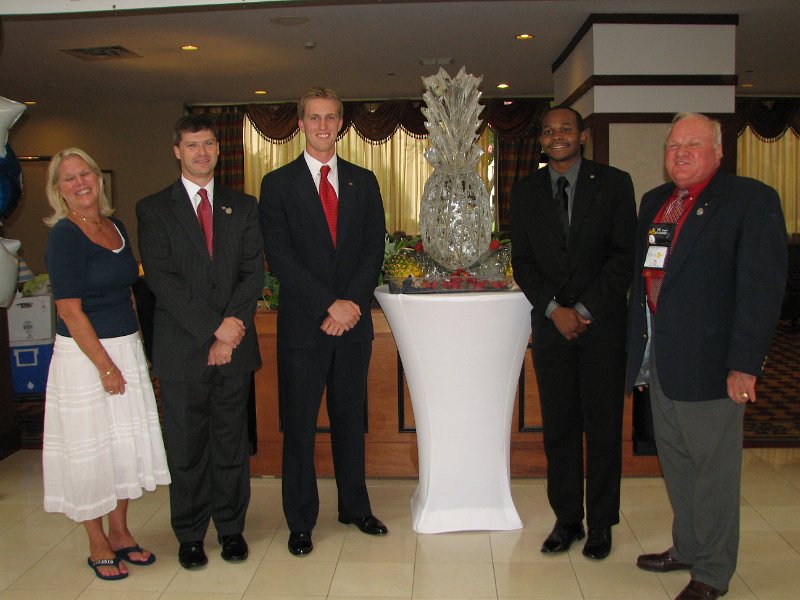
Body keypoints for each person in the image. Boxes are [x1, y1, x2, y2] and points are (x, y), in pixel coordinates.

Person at [627, 113, 787, 600]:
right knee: (676, 463)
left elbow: (761, 290)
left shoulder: (750, 201)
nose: (680, 153)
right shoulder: (657, 202)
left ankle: (713, 571)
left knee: (714, 472)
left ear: (719, 152)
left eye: (693, 145)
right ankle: (688, 547)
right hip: (661, 359)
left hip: (714, 365)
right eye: (673, 145)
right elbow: (646, 282)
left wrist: (745, 363)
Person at [259, 87, 387, 556]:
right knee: (299, 426)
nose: (322, 125)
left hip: (353, 326)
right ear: (300, 124)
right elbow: (281, 256)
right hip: (304, 327)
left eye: (331, 117)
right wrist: (327, 305)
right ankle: (301, 520)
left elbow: (374, 247)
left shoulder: (363, 180)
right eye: (314, 117)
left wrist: (350, 303)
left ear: (340, 124)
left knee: (351, 420)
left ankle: (355, 506)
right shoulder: (277, 185)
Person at [136, 115, 263, 569]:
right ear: (177, 150)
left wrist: (230, 330)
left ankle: (231, 529)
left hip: (236, 345)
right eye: (192, 145)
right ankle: (190, 534)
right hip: (182, 348)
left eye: (208, 143)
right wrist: (216, 329)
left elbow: (254, 272)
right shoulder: (152, 210)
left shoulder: (243, 206)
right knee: (187, 447)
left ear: (218, 149)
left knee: (230, 444)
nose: (202, 152)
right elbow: (164, 283)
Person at [510, 106, 636, 560]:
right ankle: (568, 521)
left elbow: (624, 257)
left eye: (566, 129)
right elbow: (521, 261)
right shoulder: (524, 193)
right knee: (559, 430)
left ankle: (601, 524)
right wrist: (553, 310)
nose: (557, 136)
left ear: (581, 135)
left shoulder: (615, 184)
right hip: (550, 331)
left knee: (602, 430)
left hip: (601, 329)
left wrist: (580, 309)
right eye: (548, 131)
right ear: (541, 141)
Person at [42, 148, 170, 581]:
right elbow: (70, 310)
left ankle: (120, 532)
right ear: (58, 190)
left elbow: (129, 293)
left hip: (125, 348)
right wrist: (105, 366)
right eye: (68, 179)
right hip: (86, 358)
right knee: (90, 450)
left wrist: (136, 356)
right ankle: (96, 541)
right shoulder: (64, 235)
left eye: (85, 174)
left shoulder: (114, 227)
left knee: (122, 446)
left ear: (98, 178)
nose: (80, 183)